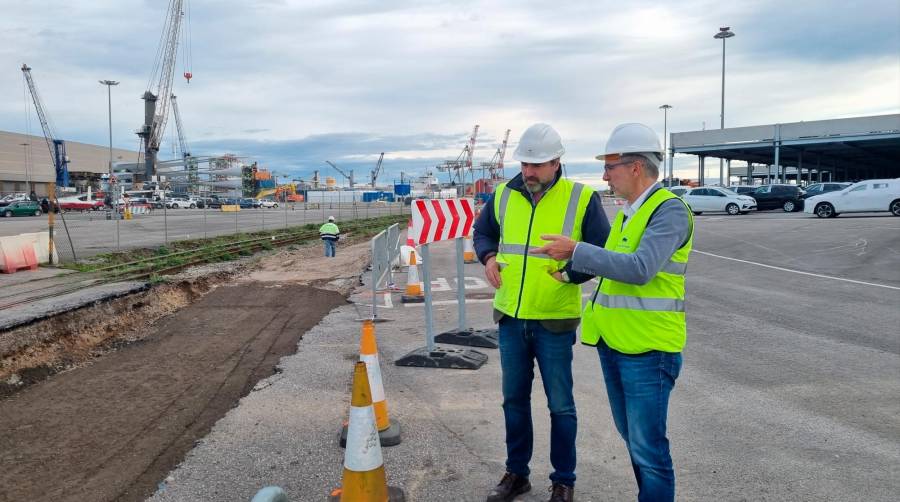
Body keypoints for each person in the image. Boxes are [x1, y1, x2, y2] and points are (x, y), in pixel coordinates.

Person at [531, 123, 693, 502]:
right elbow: (613, 267)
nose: (604, 175)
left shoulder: (668, 211)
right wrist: (571, 272)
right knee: (634, 440)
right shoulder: (628, 213)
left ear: (636, 167)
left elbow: (639, 268)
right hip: (616, 343)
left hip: (649, 350)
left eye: (610, 166)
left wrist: (577, 250)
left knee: (649, 449)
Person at [473, 123, 611, 502]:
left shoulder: (581, 198)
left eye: (537, 165)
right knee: (513, 401)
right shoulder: (502, 195)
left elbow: (603, 252)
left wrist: (571, 271)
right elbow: (482, 232)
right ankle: (516, 474)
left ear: (557, 162)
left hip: (554, 319)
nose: (529, 172)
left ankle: (563, 480)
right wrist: (487, 258)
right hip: (511, 318)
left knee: (561, 405)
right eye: (525, 164)